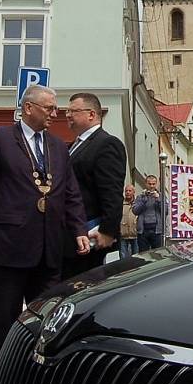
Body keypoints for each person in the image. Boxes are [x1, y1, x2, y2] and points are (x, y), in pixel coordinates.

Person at [0, 84, 90, 367]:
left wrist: (79, 229)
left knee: (47, 317)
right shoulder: (1, 139)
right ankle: (3, 374)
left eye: (56, 108)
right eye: (49, 108)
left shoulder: (57, 146)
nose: (55, 113)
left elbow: (71, 193)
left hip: (49, 248)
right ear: (28, 108)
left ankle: (37, 374)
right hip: (10, 246)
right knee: (5, 318)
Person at [61, 93, 127, 280]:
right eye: (67, 111)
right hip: (73, 237)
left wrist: (107, 231)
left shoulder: (106, 144)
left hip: (94, 238)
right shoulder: (74, 145)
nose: (67, 115)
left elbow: (112, 192)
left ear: (91, 114)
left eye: (73, 111)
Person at [133, 175, 162, 251]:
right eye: (149, 184)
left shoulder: (161, 196)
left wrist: (158, 200)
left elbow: (165, 212)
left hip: (156, 231)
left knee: (157, 255)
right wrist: (143, 201)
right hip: (143, 231)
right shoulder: (140, 197)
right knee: (143, 256)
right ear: (146, 184)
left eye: (153, 184)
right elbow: (135, 211)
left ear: (156, 184)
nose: (152, 186)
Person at [119, 185, 138, 259]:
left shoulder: (137, 203)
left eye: (130, 191)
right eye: (126, 191)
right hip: (123, 234)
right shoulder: (120, 204)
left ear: (133, 192)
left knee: (136, 257)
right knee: (123, 257)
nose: (128, 192)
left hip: (135, 234)